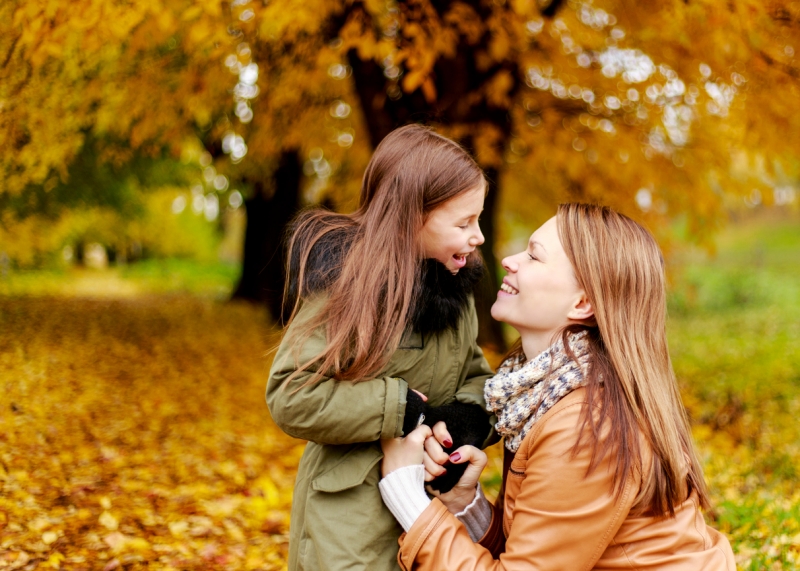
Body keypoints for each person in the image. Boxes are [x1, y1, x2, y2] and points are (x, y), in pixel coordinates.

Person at [379, 203, 736, 570]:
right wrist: (468, 507)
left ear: (582, 303)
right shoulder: (544, 393)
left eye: (534, 256)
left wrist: (408, 497)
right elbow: (543, 552)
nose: (509, 260)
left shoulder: (587, 427)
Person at [267, 124, 498, 571]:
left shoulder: (456, 293)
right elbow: (291, 394)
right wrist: (400, 409)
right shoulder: (345, 289)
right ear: (414, 217)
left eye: (480, 219)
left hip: (427, 515)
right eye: (464, 222)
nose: (479, 237)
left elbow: (474, 375)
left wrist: (458, 425)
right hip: (348, 528)